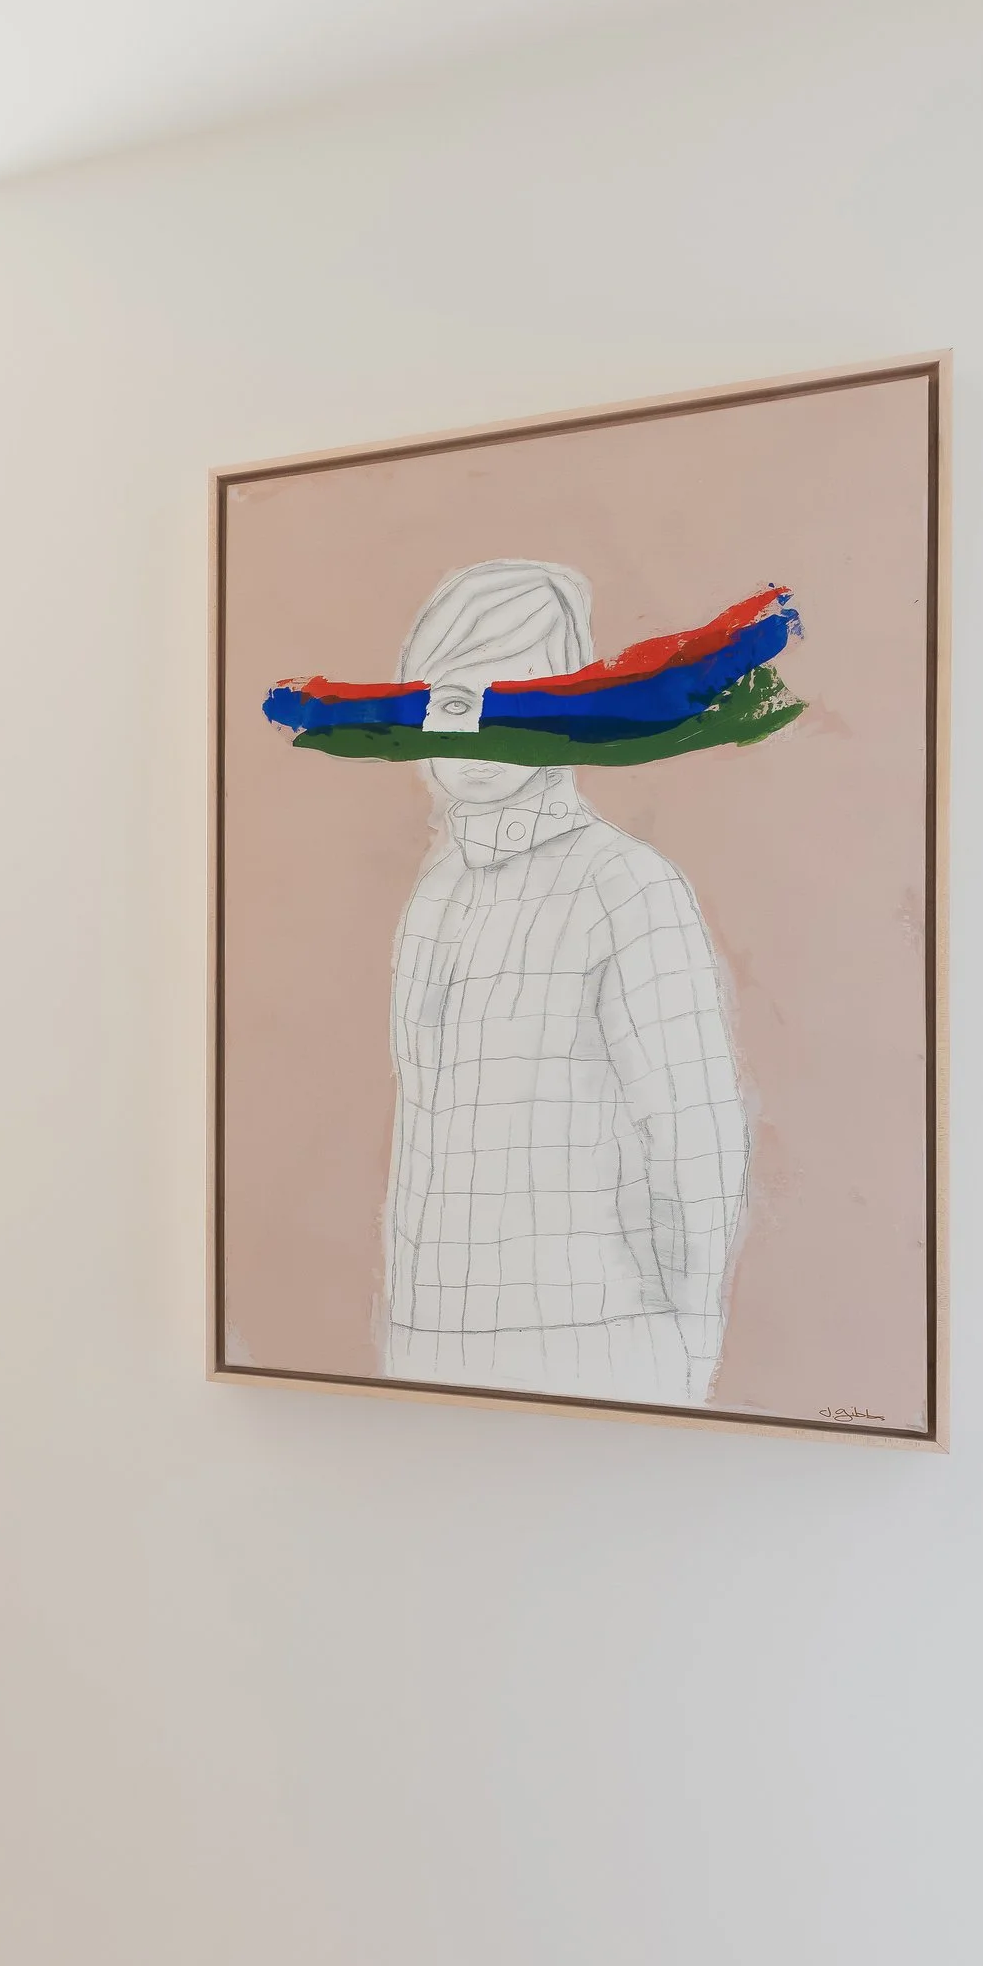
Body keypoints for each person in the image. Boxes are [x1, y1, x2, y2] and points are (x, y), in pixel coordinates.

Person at [377, 560, 748, 1405]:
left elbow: (696, 1140)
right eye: (451, 697)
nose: (478, 726)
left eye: (518, 694)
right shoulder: (436, 893)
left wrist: (689, 1344)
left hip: (604, 1338)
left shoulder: (627, 886)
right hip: (430, 1340)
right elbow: (426, 1135)